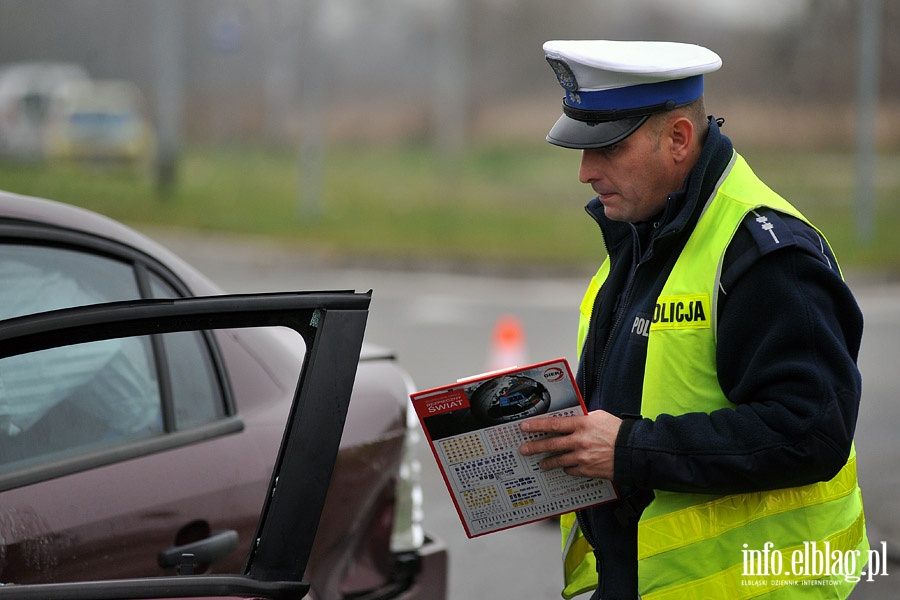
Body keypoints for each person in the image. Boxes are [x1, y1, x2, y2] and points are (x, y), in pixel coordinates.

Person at [517, 40, 867, 599]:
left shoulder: (765, 254)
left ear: (678, 139)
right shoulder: (646, 232)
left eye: (607, 148)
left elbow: (812, 431)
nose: (585, 171)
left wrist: (629, 448)